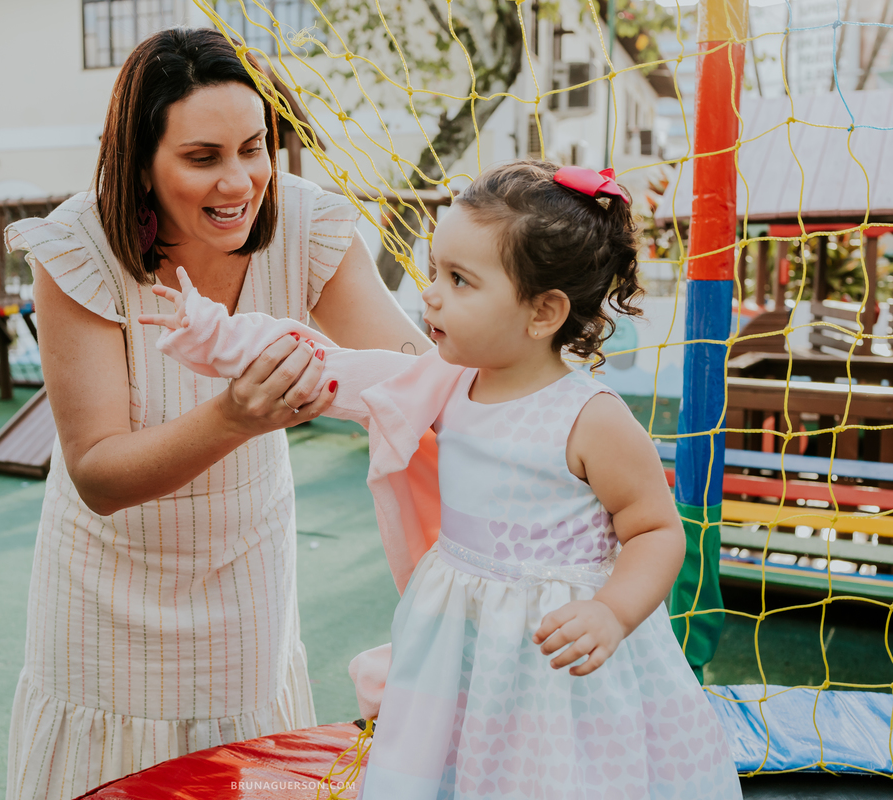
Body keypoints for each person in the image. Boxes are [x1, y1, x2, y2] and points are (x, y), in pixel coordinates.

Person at [144, 161, 743, 798]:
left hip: (556, 651)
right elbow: (324, 365)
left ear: (543, 312)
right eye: (436, 272)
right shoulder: (443, 381)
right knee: (458, 763)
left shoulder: (591, 419)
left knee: (549, 773)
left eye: (459, 280)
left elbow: (655, 530)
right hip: (463, 640)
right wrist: (216, 332)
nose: (430, 294)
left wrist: (612, 613)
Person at [2, 27, 430, 799]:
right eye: (203, 158)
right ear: (140, 163)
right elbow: (97, 470)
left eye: (254, 148)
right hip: (105, 593)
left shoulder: (306, 225)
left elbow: (411, 371)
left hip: (245, 579)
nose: (239, 181)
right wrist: (234, 417)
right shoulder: (80, 247)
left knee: (246, 767)